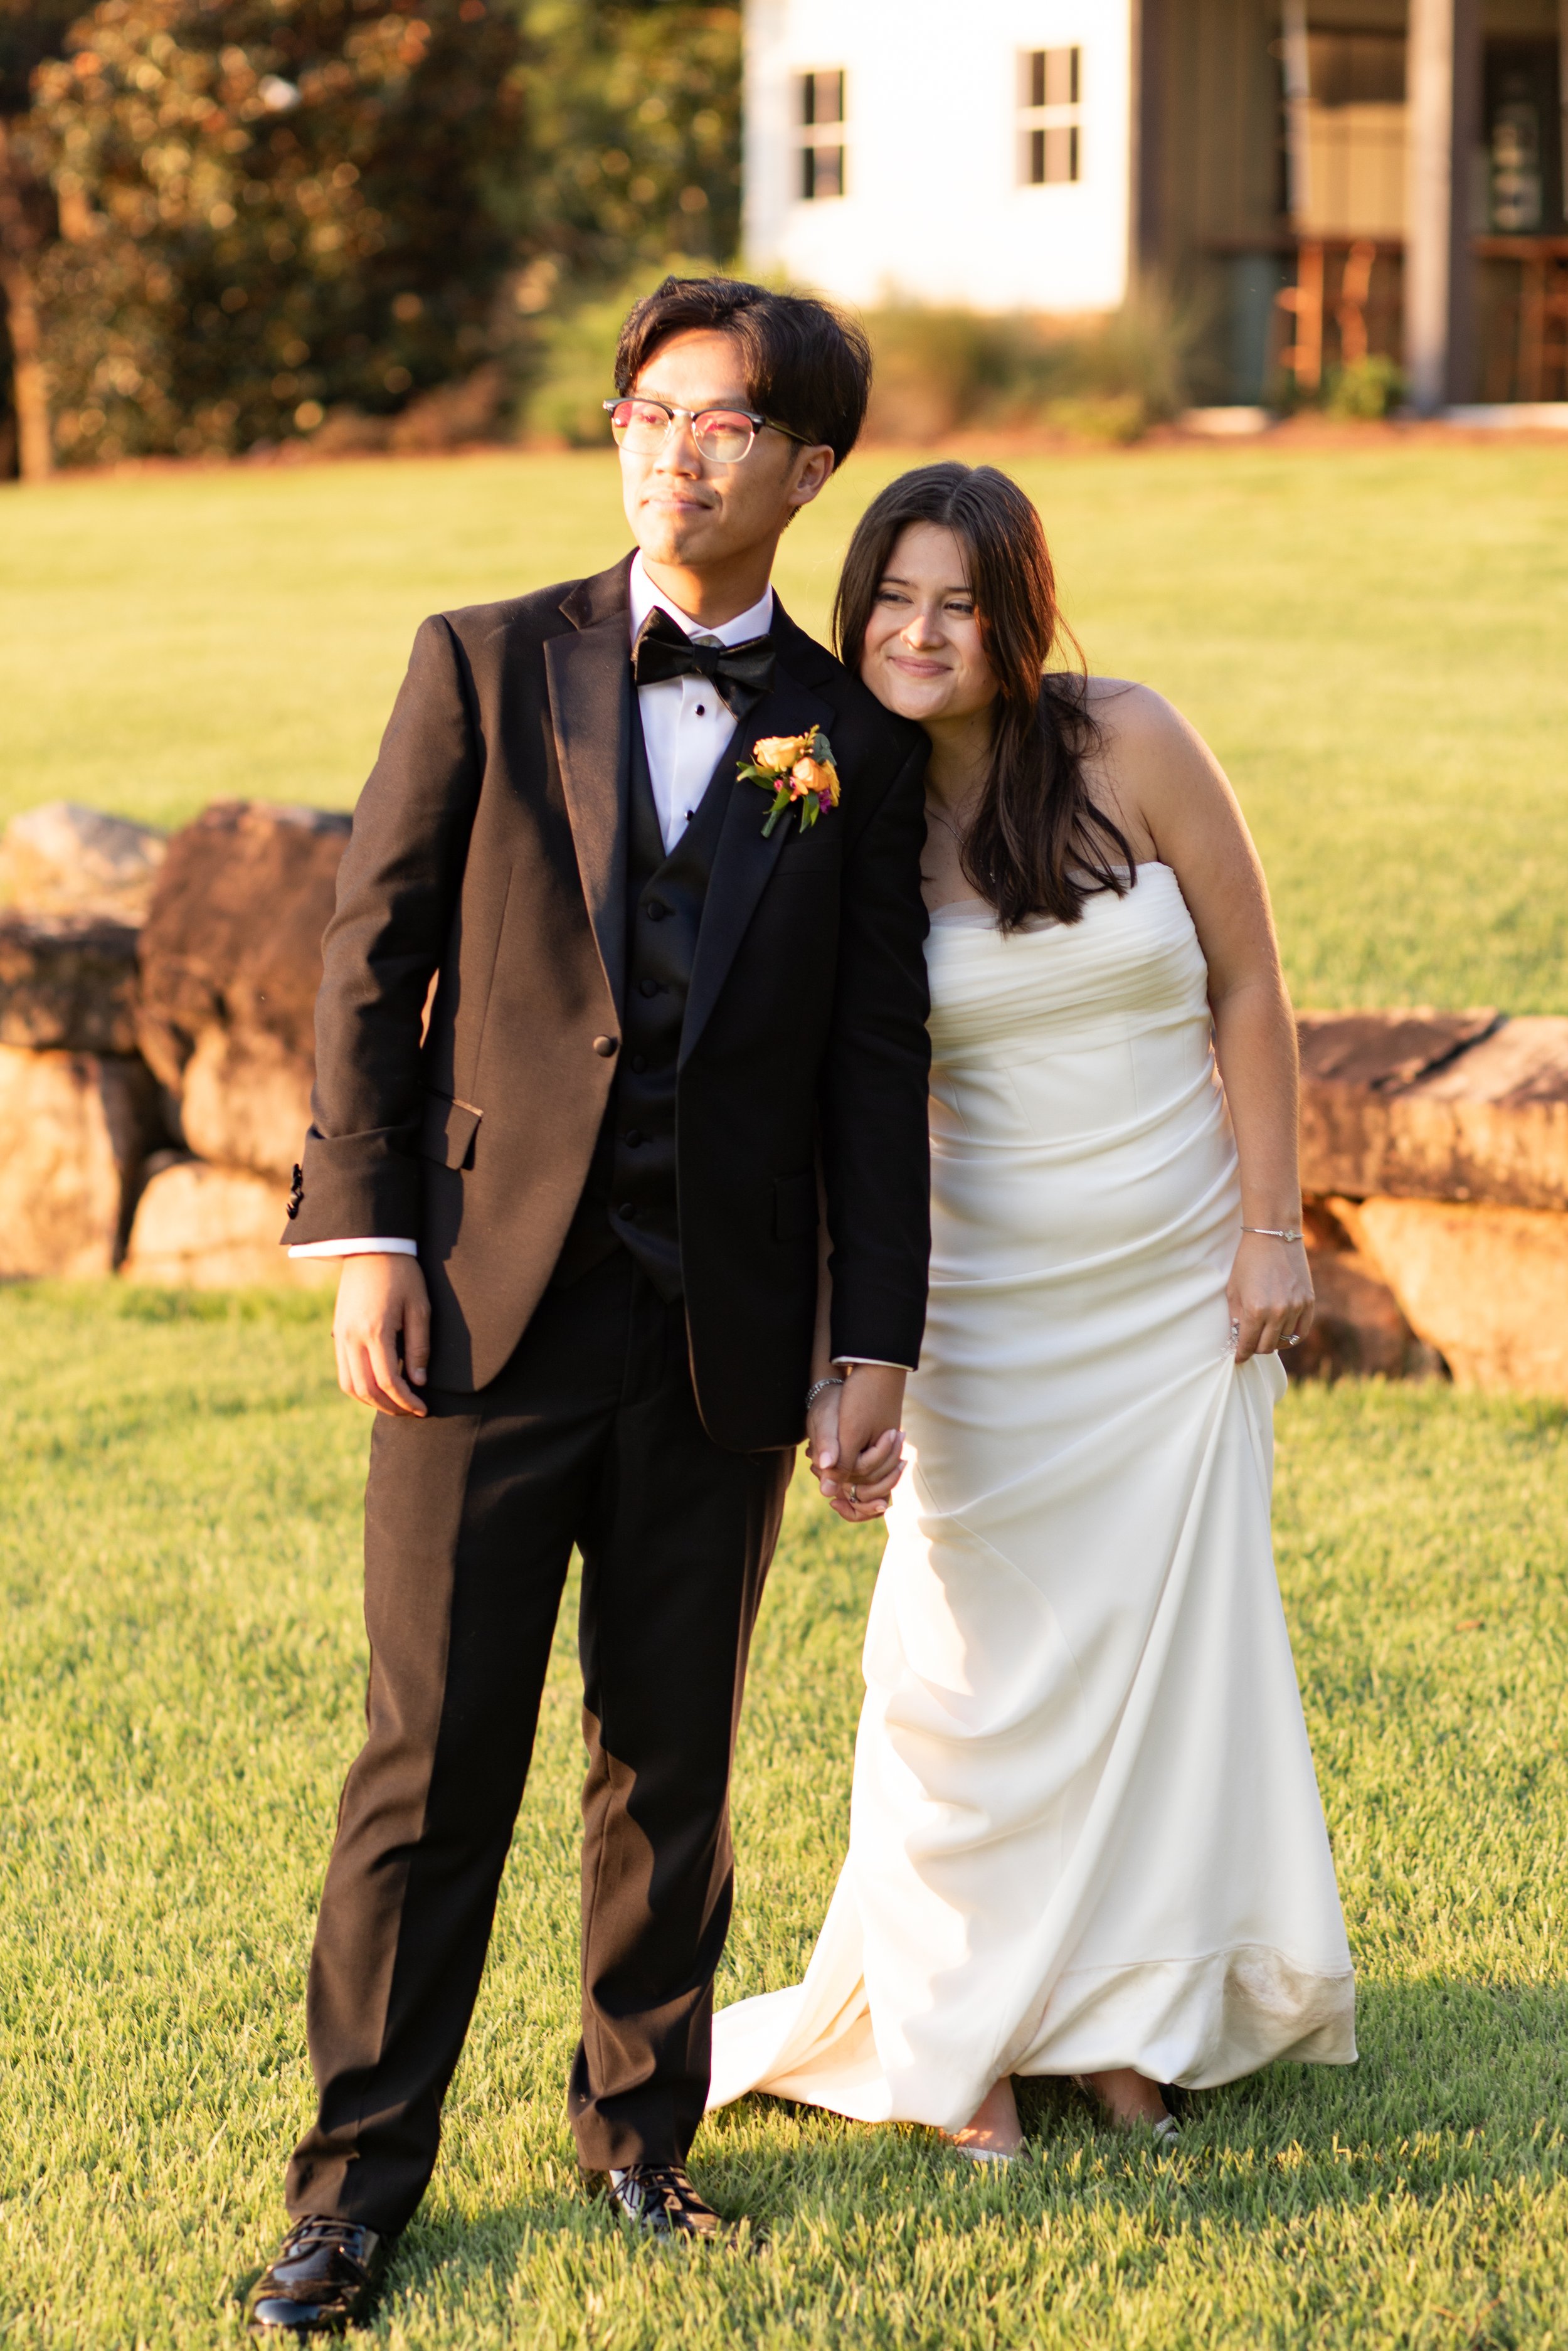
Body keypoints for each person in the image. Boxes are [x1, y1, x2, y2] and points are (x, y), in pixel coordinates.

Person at [245, 278, 933, 2335]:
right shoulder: (481, 660)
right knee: (428, 1760)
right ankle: (352, 2192)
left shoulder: (850, 735)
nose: (670, 452)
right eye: (646, 412)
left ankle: (639, 2139)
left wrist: (872, 1338)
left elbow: (871, 1055)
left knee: (671, 1761)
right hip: (479, 1307)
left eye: (719, 424)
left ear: (806, 467)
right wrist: (366, 1236)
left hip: (721, 1324)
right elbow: (368, 959)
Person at [707, 461, 1356, 2162]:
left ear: (1016, 617)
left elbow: (1248, 984)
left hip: (1177, 1291)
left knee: (1158, 1671)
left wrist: (1271, 1230)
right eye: (893, 599)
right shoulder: (829, 800)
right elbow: (823, 1106)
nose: (922, 633)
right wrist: (847, 1352)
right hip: (981, 1311)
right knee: (964, 1678)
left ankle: (1119, 2022)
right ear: (855, 613)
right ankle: (955, 2034)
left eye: (960, 603)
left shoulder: (1132, 741)